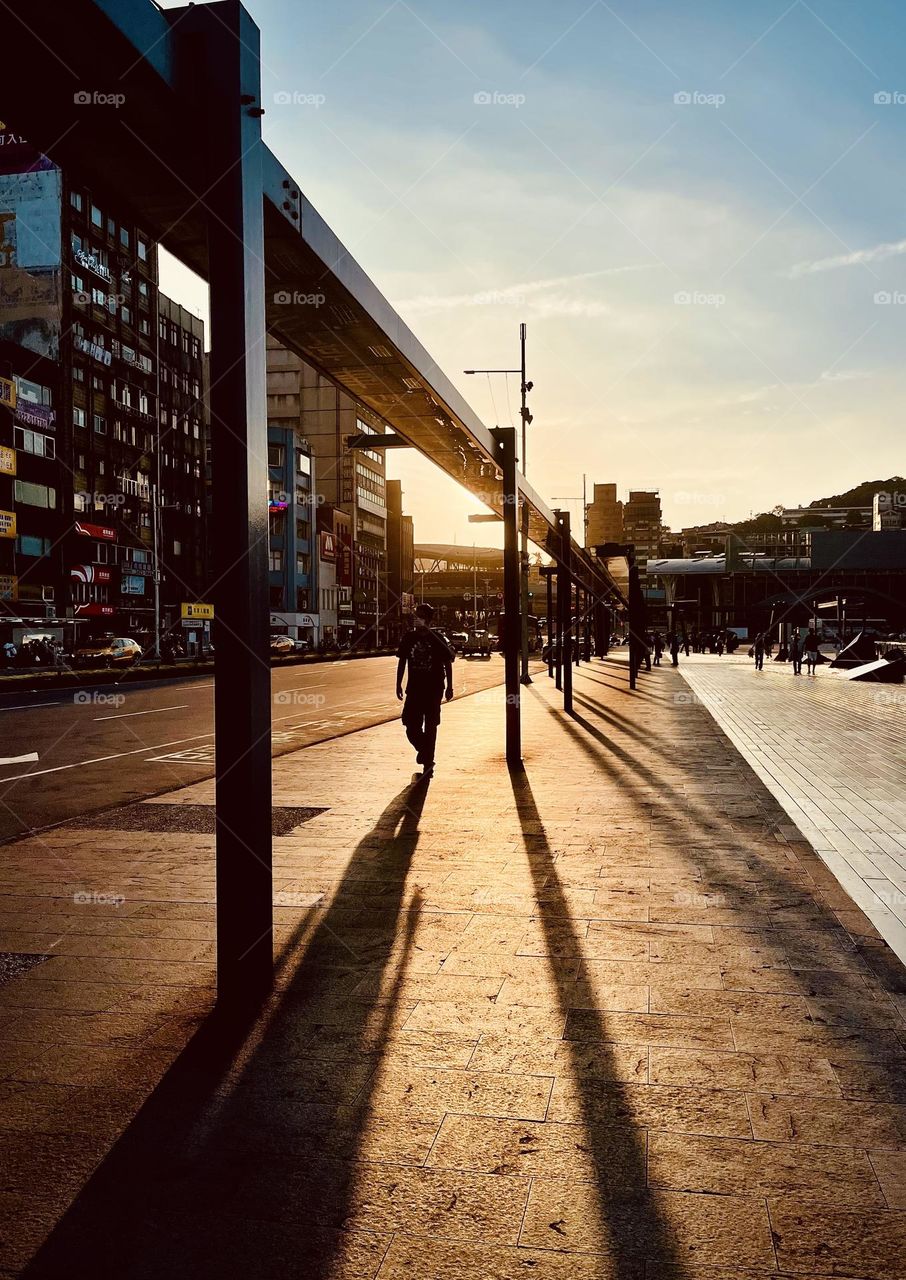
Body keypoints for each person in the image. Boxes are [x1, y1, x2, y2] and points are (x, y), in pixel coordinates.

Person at [396, 602, 453, 777]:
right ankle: (424, 750)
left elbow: (447, 663)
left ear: (427, 619)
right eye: (415, 615)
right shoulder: (409, 638)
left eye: (419, 616)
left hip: (434, 689)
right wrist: (398, 683)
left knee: (431, 726)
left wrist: (450, 686)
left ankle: (428, 762)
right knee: (410, 725)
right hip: (413, 690)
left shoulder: (437, 638)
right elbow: (402, 661)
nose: (416, 619)